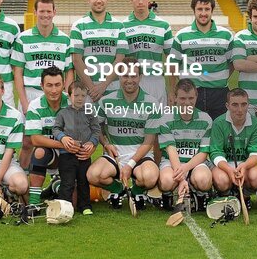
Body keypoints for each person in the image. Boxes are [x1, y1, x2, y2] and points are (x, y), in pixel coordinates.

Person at [87, 57, 160, 209]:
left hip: (141, 156)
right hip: (115, 155)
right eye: (125, 75)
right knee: (93, 175)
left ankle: (136, 191)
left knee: (150, 178)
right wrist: (106, 143)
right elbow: (95, 126)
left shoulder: (151, 103)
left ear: (140, 77)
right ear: (119, 77)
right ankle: (119, 190)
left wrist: (130, 165)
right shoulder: (106, 101)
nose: (129, 80)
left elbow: (149, 141)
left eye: (133, 76)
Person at [171, 0, 233, 120]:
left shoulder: (226, 35)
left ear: (212, 10)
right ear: (194, 10)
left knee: (219, 133)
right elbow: (172, 64)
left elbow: (233, 62)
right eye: (200, 9)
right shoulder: (182, 35)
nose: (203, 13)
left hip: (219, 93)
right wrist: (178, 85)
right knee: (193, 134)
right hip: (192, 93)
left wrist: (220, 77)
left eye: (207, 9)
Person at [12, 0, 73, 113]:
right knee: (29, 132)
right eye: (42, 11)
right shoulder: (22, 38)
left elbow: (69, 72)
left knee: (58, 131)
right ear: (35, 12)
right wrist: (24, 103)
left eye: (49, 11)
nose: (45, 15)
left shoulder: (65, 39)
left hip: (56, 94)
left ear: (54, 12)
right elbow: (18, 73)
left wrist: (67, 98)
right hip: (31, 94)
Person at [157, 78, 213, 208]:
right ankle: (171, 192)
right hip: (172, 162)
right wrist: (181, 177)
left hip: (196, 162)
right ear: (175, 98)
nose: (187, 103)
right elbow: (171, 150)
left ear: (196, 96)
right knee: (166, 182)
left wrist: (185, 169)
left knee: (203, 180)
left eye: (190, 98)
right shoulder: (166, 119)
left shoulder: (206, 119)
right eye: (182, 98)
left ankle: (198, 192)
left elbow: (203, 153)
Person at [70, 0, 127, 103]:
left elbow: (120, 58)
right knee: (84, 122)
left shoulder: (119, 26)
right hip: (85, 91)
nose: (99, 0)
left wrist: (104, 85)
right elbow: (76, 60)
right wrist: (92, 88)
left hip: (113, 88)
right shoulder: (78, 26)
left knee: (111, 122)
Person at [52, 81, 101, 216]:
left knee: (83, 181)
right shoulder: (63, 113)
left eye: (83, 95)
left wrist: (92, 142)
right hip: (66, 154)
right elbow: (56, 129)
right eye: (76, 95)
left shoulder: (90, 112)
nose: (80, 98)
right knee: (67, 182)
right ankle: (64, 206)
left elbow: (96, 130)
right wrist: (63, 137)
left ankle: (84, 205)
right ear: (69, 96)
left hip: (83, 154)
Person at [23, 67, 68, 212]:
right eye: (49, 85)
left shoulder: (73, 103)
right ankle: (34, 203)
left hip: (71, 152)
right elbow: (35, 139)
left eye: (57, 85)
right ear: (42, 86)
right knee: (39, 152)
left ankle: (56, 185)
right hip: (53, 151)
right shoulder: (35, 105)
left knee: (72, 201)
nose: (54, 90)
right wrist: (63, 144)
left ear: (64, 84)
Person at [208, 88, 257, 202]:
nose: (240, 109)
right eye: (235, 105)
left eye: (244, 105)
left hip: (245, 165)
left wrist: (244, 166)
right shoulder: (218, 123)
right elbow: (216, 153)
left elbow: (255, 153)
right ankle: (227, 195)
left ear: (248, 105)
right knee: (221, 181)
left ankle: (244, 196)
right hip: (224, 165)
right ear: (227, 106)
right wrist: (229, 170)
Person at [121, 0, 173, 105]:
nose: (140, 2)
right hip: (132, 82)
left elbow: (171, 59)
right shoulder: (122, 26)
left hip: (156, 82)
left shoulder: (163, 25)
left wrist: (171, 90)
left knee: (158, 122)